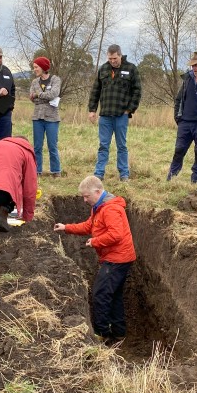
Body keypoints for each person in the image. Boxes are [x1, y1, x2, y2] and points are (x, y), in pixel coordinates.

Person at [53, 176, 136, 345]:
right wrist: (66, 228)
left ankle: (102, 334)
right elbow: (89, 226)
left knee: (100, 294)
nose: (84, 200)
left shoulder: (110, 209)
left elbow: (116, 234)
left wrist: (95, 241)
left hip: (117, 259)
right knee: (114, 295)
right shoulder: (99, 207)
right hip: (116, 257)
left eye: (86, 196)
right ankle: (119, 333)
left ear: (97, 192)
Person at [88, 44, 142, 182]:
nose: (112, 61)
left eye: (115, 58)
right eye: (110, 58)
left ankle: (124, 174)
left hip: (121, 115)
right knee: (103, 145)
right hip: (105, 115)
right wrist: (92, 110)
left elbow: (137, 91)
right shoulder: (103, 69)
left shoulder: (131, 69)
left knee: (121, 146)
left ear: (120, 55)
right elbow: (96, 90)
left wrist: (130, 109)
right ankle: (99, 173)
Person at [167, 51, 197, 184]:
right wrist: (178, 117)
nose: (195, 68)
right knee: (179, 150)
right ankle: (172, 176)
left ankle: (195, 179)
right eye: (193, 65)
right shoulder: (187, 80)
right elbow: (178, 99)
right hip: (185, 122)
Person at [29, 56, 62, 176]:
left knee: (52, 145)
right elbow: (32, 98)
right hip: (37, 117)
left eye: (36, 67)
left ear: (43, 67)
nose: (35, 69)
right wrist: (41, 96)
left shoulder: (55, 80)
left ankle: (56, 171)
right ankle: (37, 171)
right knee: (37, 146)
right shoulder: (34, 82)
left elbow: (54, 94)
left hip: (52, 118)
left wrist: (38, 95)